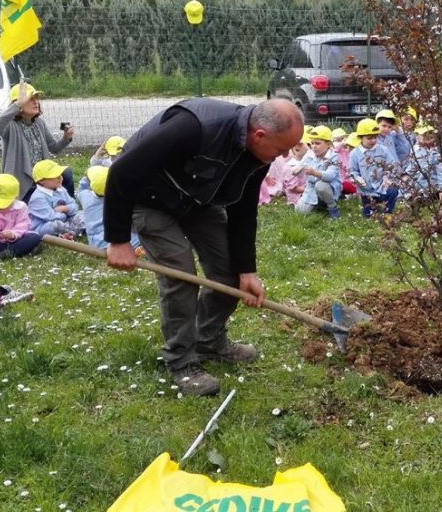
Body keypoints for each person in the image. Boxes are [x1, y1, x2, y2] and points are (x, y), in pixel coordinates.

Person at [103, 98, 304, 397]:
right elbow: (122, 171)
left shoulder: (258, 155)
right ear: (259, 135)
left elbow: (244, 210)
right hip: (150, 200)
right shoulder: (194, 127)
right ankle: (182, 361)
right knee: (181, 275)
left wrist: (247, 269)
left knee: (229, 273)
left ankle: (208, 340)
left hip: (198, 201)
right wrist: (118, 240)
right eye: (281, 148)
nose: (285, 155)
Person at [0, 80, 75, 201]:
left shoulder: (39, 123)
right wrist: (18, 104)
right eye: (31, 99)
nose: (36, 102)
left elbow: (54, 148)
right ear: (18, 103)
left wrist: (66, 137)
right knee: (37, 210)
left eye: (37, 98)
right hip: (24, 182)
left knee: (66, 173)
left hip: (43, 178)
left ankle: (69, 207)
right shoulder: (10, 126)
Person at [0, 174, 42, 258]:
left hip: (17, 239)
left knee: (34, 237)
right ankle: (16, 251)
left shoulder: (21, 207)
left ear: (14, 198)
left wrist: (13, 234)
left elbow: (23, 224)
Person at [79, 166, 143, 252]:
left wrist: (86, 177)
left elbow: (81, 188)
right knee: (142, 235)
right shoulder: (117, 201)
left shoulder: (84, 196)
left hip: (94, 242)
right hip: (111, 242)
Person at [349, 118, 400, 218]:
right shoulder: (354, 154)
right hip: (367, 191)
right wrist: (357, 179)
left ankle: (387, 212)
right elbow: (353, 171)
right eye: (369, 138)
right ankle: (373, 209)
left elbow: (391, 165)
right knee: (368, 215)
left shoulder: (383, 150)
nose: (373, 141)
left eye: (375, 137)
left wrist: (387, 177)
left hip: (382, 187)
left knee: (393, 191)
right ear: (361, 137)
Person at [27, 160, 85, 238]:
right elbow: (50, 217)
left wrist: (65, 208)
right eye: (55, 176)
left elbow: (74, 206)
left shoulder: (61, 189)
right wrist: (64, 214)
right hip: (43, 226)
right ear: (41, 181)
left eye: (60, 175)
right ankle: (72, 231)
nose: (60, 178)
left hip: (65, 219)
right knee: (55, 225)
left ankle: (69, 233)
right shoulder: (37, 198)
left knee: (84, 214)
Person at [294, 125, 342, 219]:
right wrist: (296, 169)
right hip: (311, 188)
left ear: (328, 144)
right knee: (300, 211)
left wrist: (314, 172)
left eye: (317, 143)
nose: (314, 146)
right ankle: (320, 204)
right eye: (312, 143)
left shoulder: (334, 157)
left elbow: (330, 176)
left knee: (320, 186)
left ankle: (332, 206)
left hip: (328, 187)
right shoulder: (309, 154)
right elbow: (301, 165)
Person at [405, 123, 442, 200]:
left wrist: (441, 189)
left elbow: (440, 171)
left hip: (431, 184)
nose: (428, 137)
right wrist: (405, 176)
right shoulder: (415, 149)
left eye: (430, 134)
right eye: (424, 135)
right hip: (418, 183)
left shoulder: (436, 152)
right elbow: (412, 166)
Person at [282, 137, 310, 206]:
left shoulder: (311, 162)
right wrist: (310, 190)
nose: (296, 146)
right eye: (294, 143)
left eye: (300, 144)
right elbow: (293, 188)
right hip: (298, 195)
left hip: (307, 190)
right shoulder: (290, 166)